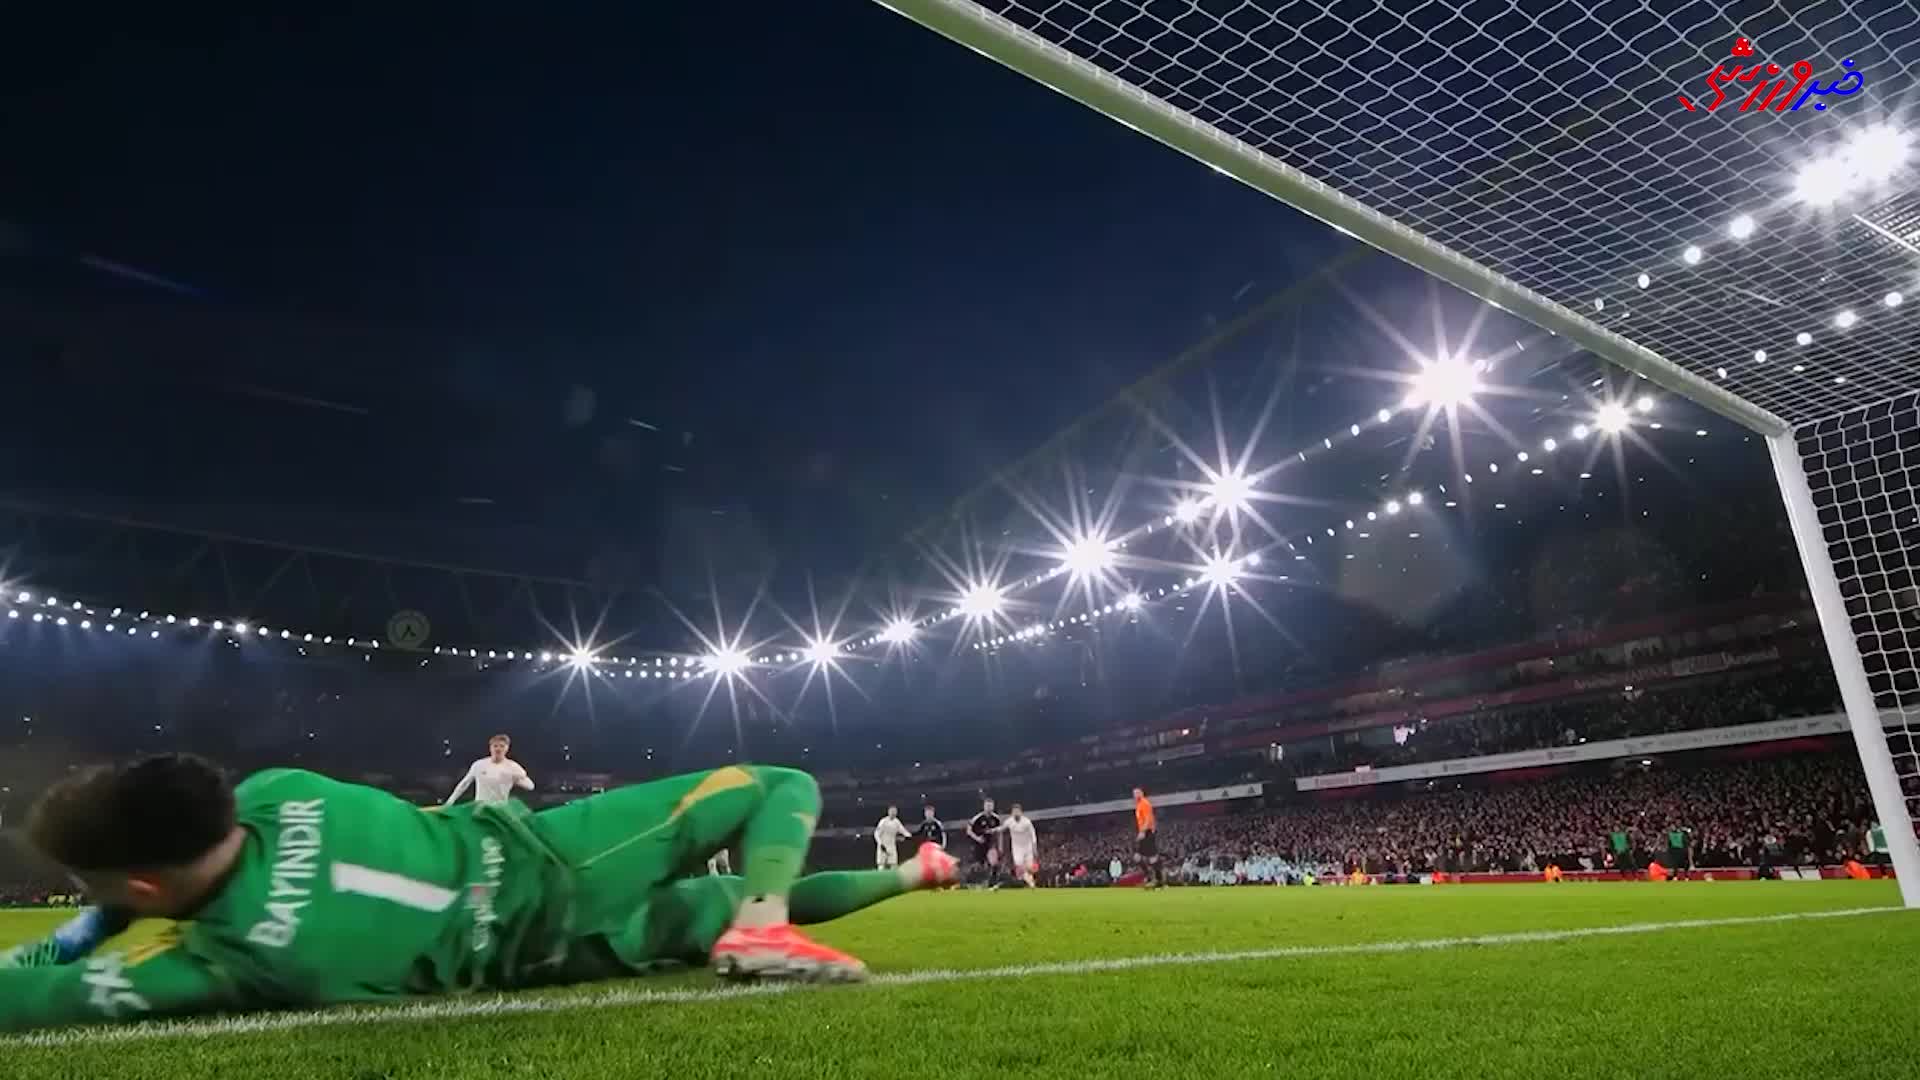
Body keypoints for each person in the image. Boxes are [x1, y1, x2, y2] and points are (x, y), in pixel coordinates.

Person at [0, 754, 958, 1031]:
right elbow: (154, 878)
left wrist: (61, 945)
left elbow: (39, 995)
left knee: (728, 893)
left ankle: (856, 892)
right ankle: (815, 907)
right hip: (544, 859)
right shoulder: (275, 790)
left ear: (140, 882)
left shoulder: (235, 963)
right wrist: (92, 918)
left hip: (542, 946)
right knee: (775, 795)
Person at [444, 734, 534, 806]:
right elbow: (464, 784)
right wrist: (449, 802)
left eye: (502, 746)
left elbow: (530, 786)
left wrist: (513, 777)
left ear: (507, 748)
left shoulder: (513, 767)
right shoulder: (479, 765)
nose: (498, 749)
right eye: (495, 746)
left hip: (500, 810)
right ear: (490, 747)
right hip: (480, 808)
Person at [967, 798, 1004, 888]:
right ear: (984, 806)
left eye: (991, 806)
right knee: (979, 866)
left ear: (993, 807)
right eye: (987, 806)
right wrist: (977, 838)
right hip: (979, 845)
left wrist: (1000, 845)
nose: (989, 808)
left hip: (991, 844)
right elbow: (968, 830)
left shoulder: (996, 819)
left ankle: (992, 883)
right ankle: (973, 883)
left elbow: (1000, 832)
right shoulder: (978, 818)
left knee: (994, 863)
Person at [1133, 787, 1163, 887]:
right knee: (1137, 857)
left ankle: (1158, 880)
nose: (1136, 795)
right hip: (1145, 832)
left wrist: (1143, 832)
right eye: (1134, 793)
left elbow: (1148, 818)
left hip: (1148, 832)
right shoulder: (1138, 805)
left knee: (1152, 858)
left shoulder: (1145, 803)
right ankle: (1149, 877)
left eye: (1138, 793)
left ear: (1142, 793)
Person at [1005, 803, 1037, 888]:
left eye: (1017, 811)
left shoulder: (1027, 822)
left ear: (1021, 812)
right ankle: (1029, 882)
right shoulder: (1009, 821)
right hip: (1017, 848)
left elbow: (1033, 834)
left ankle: (1029, 881)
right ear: (1012, 813)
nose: (1016, 813)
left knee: (1029, 867)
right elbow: (1002, 828)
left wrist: (1034, 847)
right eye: (1014, 811)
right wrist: (993, 830)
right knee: (1019, 863)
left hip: (1027, 847)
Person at [874, 805, 913, 870]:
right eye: (892, 811)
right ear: (888, 812)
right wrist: (880, 843)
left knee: (893, 864)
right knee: (881, 864)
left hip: (892, 845)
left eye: (895, 811)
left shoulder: (897, 822)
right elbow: (876, 834)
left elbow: (903, 830)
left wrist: (910, 836)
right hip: (883, 845)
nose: (893, 813)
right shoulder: (883, 821)